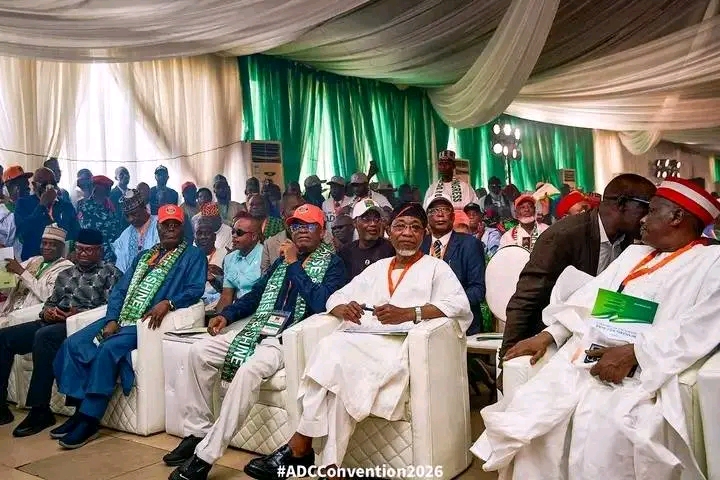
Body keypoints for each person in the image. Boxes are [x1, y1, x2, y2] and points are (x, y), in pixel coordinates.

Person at [474, 177, 720, 479]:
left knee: (606, 427)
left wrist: (634, 353)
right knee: (533, 412)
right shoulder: (635, 254)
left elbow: (700, 327)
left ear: (677, 216)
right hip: (587, 355)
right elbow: (587, 300)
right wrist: (548, 334)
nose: (643, 219)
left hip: (642, 372)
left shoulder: (711, 262)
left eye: (652, 211)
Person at [242, 203, 471, 479]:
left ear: (424, 234)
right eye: (400, 226)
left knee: (336, 356)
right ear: (389, 232)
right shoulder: (378, 269)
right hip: (365, 342)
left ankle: (300, 444)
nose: (407, 233)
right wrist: (343, 308)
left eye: (414, 228)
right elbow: (337, 297)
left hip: (402, 348)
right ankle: (331, 468)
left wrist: (410, 313)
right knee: (335, 366)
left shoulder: (436, 268)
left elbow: (458, 306)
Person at [165, 203, 346, 480]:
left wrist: (294, 265)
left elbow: (321, 302)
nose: (301, 231)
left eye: (309, 226)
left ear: (322, 232)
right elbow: (256, 295)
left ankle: (205, 456)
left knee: (248, 371)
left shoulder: (333, 264)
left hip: (286, 338)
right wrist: (227, 315)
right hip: (257, 328)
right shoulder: (281, 262)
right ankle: (198, 431)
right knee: (199, 351)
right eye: (296, 226)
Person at [52, 205, 206, 449]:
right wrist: (112, 318)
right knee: (74, 343)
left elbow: (195, 290)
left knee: (107, 349)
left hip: (147, 322)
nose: (170, 229)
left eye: (175, 225)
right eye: (166, 225)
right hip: (122, 316)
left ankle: (90, 419)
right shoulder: (144, 256)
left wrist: (169, 302)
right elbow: (120, 290)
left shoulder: (193, 256)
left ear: (182, 228)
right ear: (158, 228)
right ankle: (79, 409)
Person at [499, 174, 657, 365]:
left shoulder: (631, 242)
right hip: (550, 342)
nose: (648, 219)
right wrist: (508, 359)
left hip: (594, 342)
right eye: (647, 208)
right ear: (622, 204)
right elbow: (526, 298)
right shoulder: (563, 237)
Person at [0, 229, 121, 435]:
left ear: (100, 251)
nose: (82, 254)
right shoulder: (66, 274)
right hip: (53, 321)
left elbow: (110, 308)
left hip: (81, 326)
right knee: (4, 337)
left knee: (44, 337)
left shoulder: (110, 273)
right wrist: (48, 313)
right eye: (79, 249)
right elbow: (49, 302)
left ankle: (40, 410)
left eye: (88, 250)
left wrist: (77, 315)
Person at [421, 195, 486, 335]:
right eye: (434, 210)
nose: (440, 214)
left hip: (461, 325)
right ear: (427, 218)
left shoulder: (470, 244)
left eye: (445, 209)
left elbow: (478, 290)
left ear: (453, 216)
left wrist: (442, 308)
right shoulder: (420, 245)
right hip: (424, 325)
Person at [0, 225, 73, 325]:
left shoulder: (67, 267)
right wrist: (5, 270)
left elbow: (48, 296)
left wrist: (22, 272)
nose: (47, 247)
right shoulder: (34, 260)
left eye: (52, 244)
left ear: (62, 247)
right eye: (44, 243)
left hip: (31, 317)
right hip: (9, 311)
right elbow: (7, 290)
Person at [15, 168, 79, 261]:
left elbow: (77, 233)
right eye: (44, 184)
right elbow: (23, 230)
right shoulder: (23, 203)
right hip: (34, 260)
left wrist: (74, 250)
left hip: (62, 261)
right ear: (34, 185)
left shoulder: (66, 206)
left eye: (53, 183)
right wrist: (41, 206)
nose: (49, 187)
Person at [215, 213, 263, 314]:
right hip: (237, 312)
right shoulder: (229, 258)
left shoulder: (265, 255)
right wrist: (219, 317)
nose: (234, 236)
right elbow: (226, 296)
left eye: (239, 232)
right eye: (233, 232)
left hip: (258, 311)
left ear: (254, 236)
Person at [337, 199, 395, 282]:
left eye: (377, 219)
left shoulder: (391, 250)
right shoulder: (345, 252)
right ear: (354, 222)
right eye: (366, 219)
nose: (373, 224)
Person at [76, 175, 123, 262]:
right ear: (96, 189)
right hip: (93, 253)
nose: (108, 192)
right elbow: (88, 231)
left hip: (112, 253)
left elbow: (116, 228)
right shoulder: (86, 207)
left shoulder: (109, 205)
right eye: (106, 189)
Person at [112, 189, 159, 273]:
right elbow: (120, 267)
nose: (131, 219)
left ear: (144, 207)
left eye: (134, 214)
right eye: (127, 216)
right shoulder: (125, 235)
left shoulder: (159, 224)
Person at [262, 194, 305, 274]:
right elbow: (264, 278)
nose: (301, 211)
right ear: (282, 214)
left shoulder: (320, 236)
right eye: (295, 208)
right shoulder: (270, 244)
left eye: (303, 208)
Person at [195, 217, 226, 311]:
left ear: (214, 237)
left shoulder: (225, 255)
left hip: (218, 306)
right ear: (195, 237)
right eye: (199, 233)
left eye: (207, 233)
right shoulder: (189, 257)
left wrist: (220, 275)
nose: (203, 237)